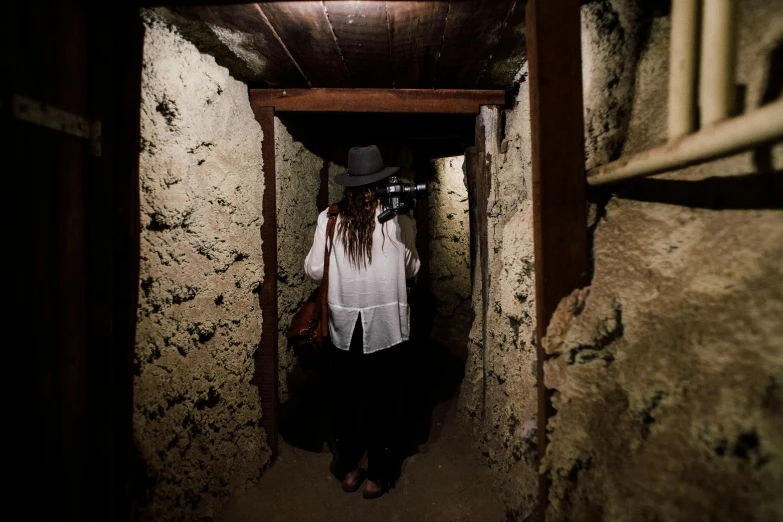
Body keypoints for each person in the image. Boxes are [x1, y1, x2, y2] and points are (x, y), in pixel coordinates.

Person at [304, 145, 421, 499]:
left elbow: (313, 270)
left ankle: (351, 469)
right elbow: (413, 269)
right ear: (383, 181)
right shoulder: (399, 219)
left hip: (343, 327)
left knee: (344, 401)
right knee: (381, 402)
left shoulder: (331, 218)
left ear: (349, 184)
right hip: (385, 326)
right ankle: (378, 476)